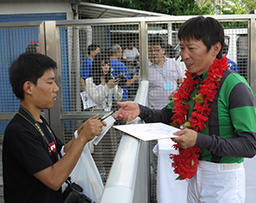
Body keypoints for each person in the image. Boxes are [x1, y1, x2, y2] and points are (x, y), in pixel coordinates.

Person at [114, 16, 256, 203]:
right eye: (182, 48)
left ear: (215, 48)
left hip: (224, 180)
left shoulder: (235, 86)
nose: (184, 55)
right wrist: (139, 110)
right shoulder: (191, 83)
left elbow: (249, 145)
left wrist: (199, 140)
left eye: (191, 48)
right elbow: (166, 115)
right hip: (195, 175)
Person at [3, 53, 104, 203]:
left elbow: (60, 152)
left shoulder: (38, 121)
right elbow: (54, 179)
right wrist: (82, 139)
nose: (56, 88)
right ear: (28, 87)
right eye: (50, 82)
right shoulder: (19, 131)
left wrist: (81, 134)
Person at [148, 35, 184, 109]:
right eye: (150, 50)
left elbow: (181, 81)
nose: (154, 53)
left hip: (174, 107)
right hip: (156, 110)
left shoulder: (173, 63)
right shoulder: (145, 69)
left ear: (163, 50)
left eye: (157, 50)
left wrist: (178, 92)